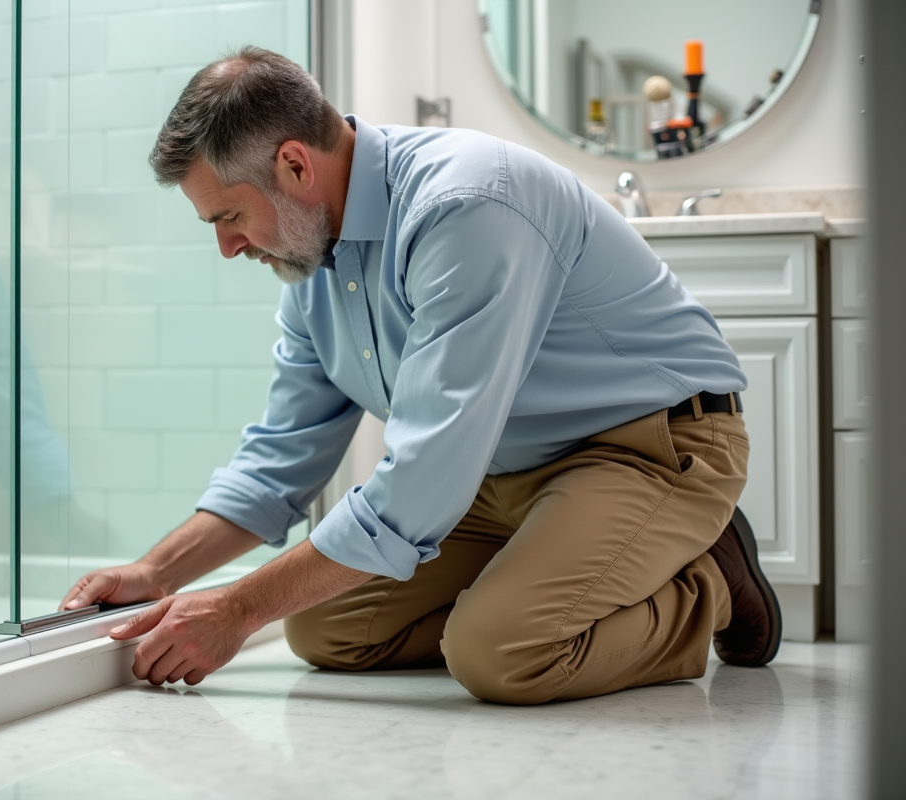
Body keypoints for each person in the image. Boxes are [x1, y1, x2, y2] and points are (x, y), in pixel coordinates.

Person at [60, 46, 782, 704]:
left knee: (501, 655)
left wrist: (241, 608)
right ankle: (543, 569)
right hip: (497, 474)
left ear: (294, 166)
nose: (226, 246)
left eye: (230, 216)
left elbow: (425, 477)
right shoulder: (310, 266)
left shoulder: (465, 205)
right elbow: (281, 458)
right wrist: (160, 573)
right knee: (323, 631)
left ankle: (709, 583)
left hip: (649, 444)